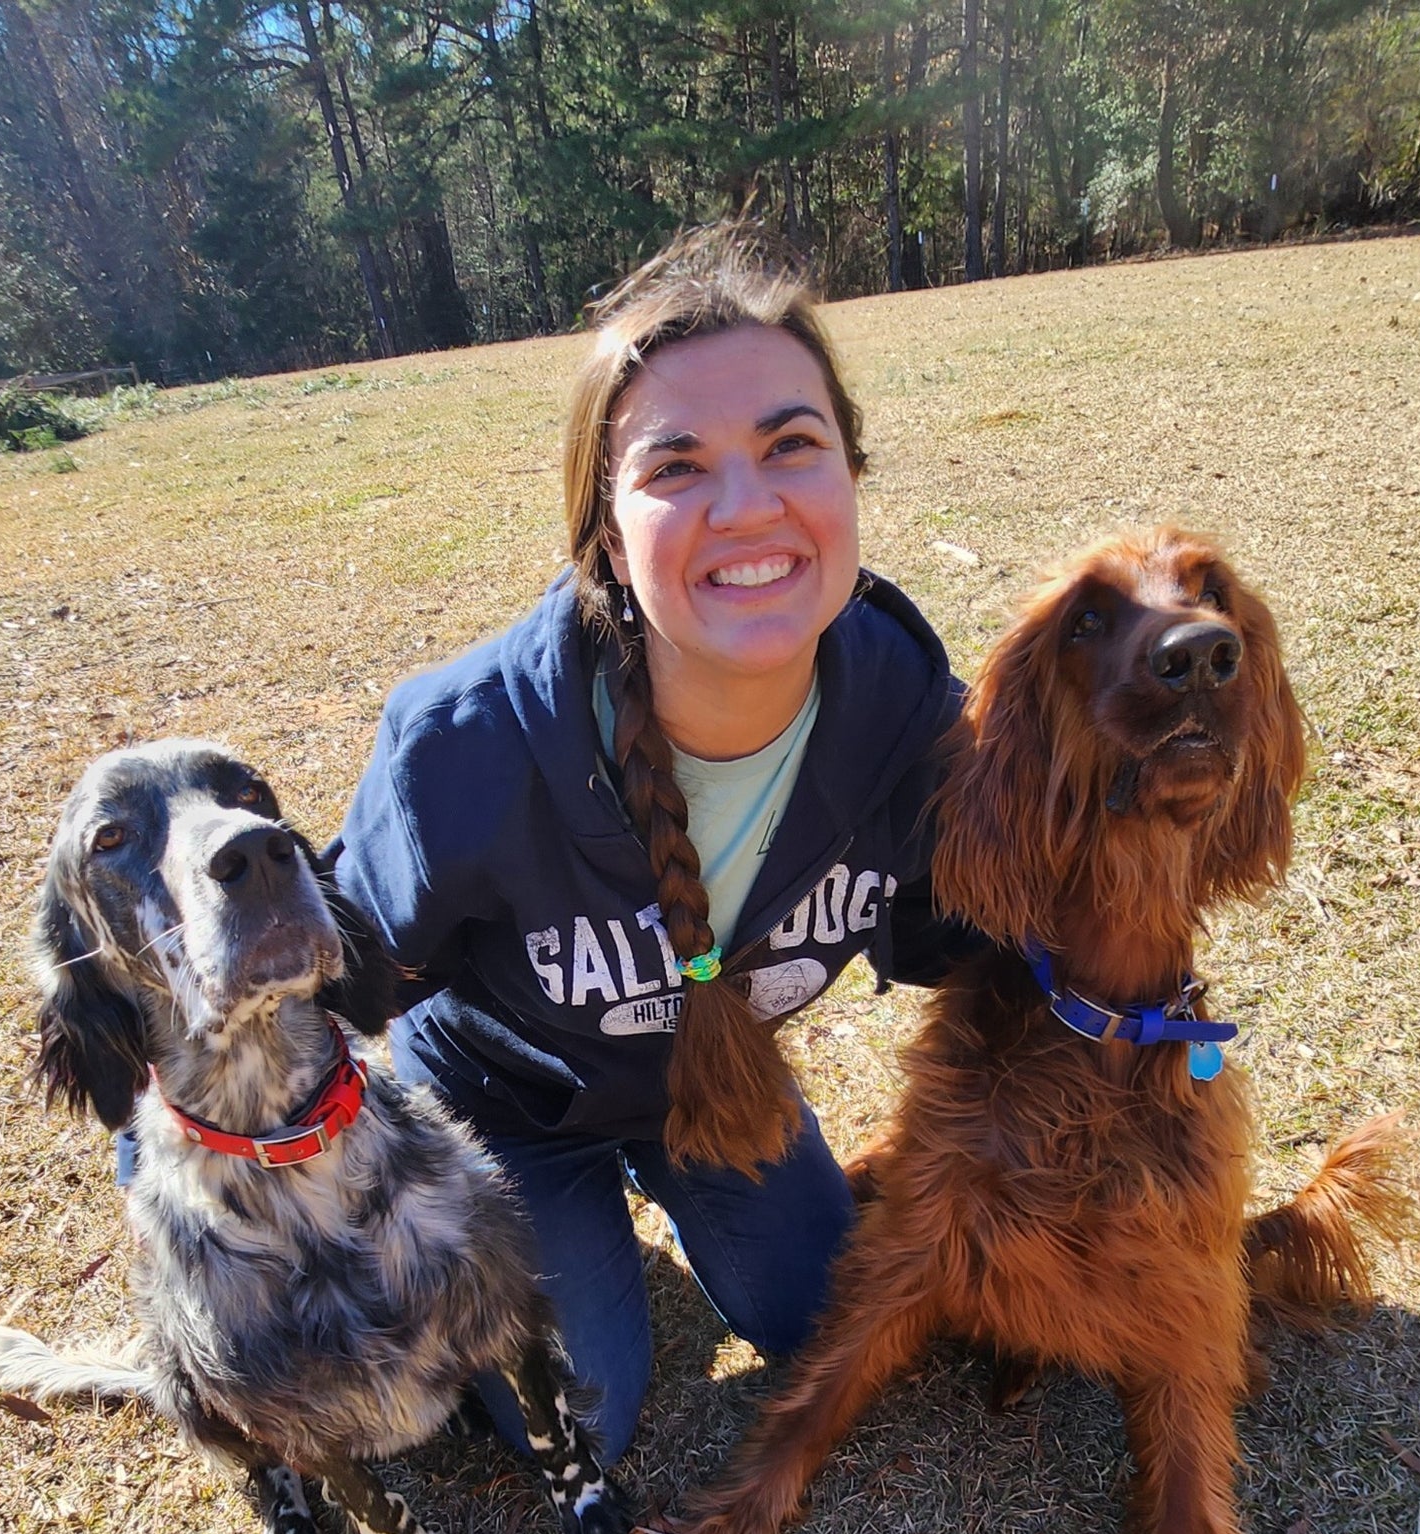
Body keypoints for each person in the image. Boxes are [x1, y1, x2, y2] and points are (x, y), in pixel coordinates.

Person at [332, 225, 973, 1463]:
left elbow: (965, 938)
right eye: (675, 468)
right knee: (570, 1422)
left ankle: (656, 1203)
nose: (749, 505)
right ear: (610, 543)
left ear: (851, 478)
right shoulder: (463, 749)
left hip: (715, 1090)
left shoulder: (912, 723)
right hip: (503, 1105)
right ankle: (562, 1232)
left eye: (793, 444)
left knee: (823, 1318)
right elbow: (326, 982)